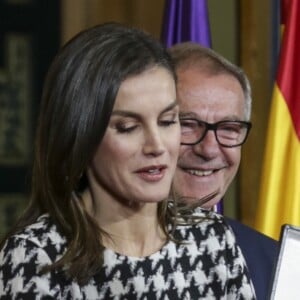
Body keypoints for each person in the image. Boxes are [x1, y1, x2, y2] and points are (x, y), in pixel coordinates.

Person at [0, 23, 256, 299]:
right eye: (127, 127)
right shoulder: (37, 257)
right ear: (82, 136)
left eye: (168, 121)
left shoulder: (212, 239)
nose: (156, 146)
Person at [169, 42, 278, 300]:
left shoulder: (272, 263)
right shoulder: (88, 255)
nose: (209, 149)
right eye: (188, 124)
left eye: (229, 128)